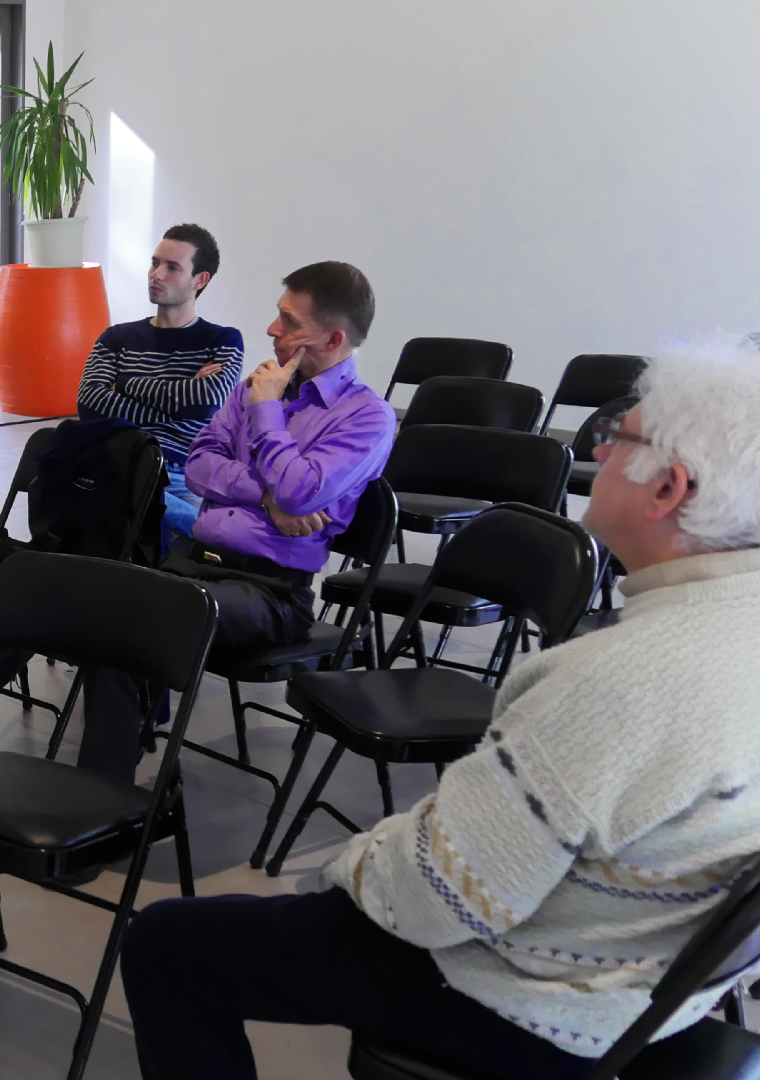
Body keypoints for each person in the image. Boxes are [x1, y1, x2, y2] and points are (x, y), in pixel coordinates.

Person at [119, 341, 760, 1079]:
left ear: (668, 488)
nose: (600, 450)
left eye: (619, 440)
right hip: (660, 979)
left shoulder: (617, 681)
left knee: (167, 944)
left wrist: (355, 862)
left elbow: (438, 899)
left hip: (544, 1002)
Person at [78, 261, 395, 786]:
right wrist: (266, 494)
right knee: (108, 597)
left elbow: (303, 490)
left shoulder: (366, 417)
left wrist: (267, 412)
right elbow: (199, 466)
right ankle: (110, 784)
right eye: (278, 315)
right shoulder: (257, 384)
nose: (273, 329)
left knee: (139, 612)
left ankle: (100, 794)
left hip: (269, 592)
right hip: (199, 565)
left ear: (334, 337)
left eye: (290, 321)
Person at [76, 223, 245, 539]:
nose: (156, 274)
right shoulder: (117, 338)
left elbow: (205, 400)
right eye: (155, 263)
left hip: (178, 474)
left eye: (172, 267)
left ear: (200, 280)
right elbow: (90, 402)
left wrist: (125, 383)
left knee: (204, 540)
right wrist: (175, 404)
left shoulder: (223, 340)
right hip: (115, 465)